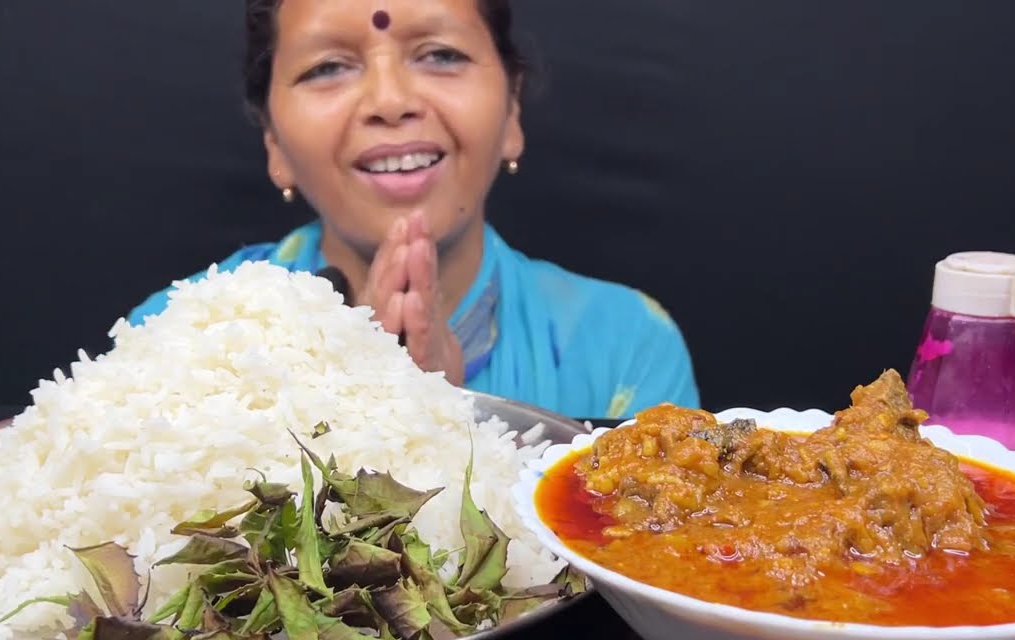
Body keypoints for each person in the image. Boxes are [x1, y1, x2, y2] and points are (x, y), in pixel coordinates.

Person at [128, 0, 699, 420]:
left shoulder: (623, 346)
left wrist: (449, 420)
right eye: (328, 67)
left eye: (441, 55)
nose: (391, 101)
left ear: (513, 110)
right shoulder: (172, 341)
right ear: (274, 143)